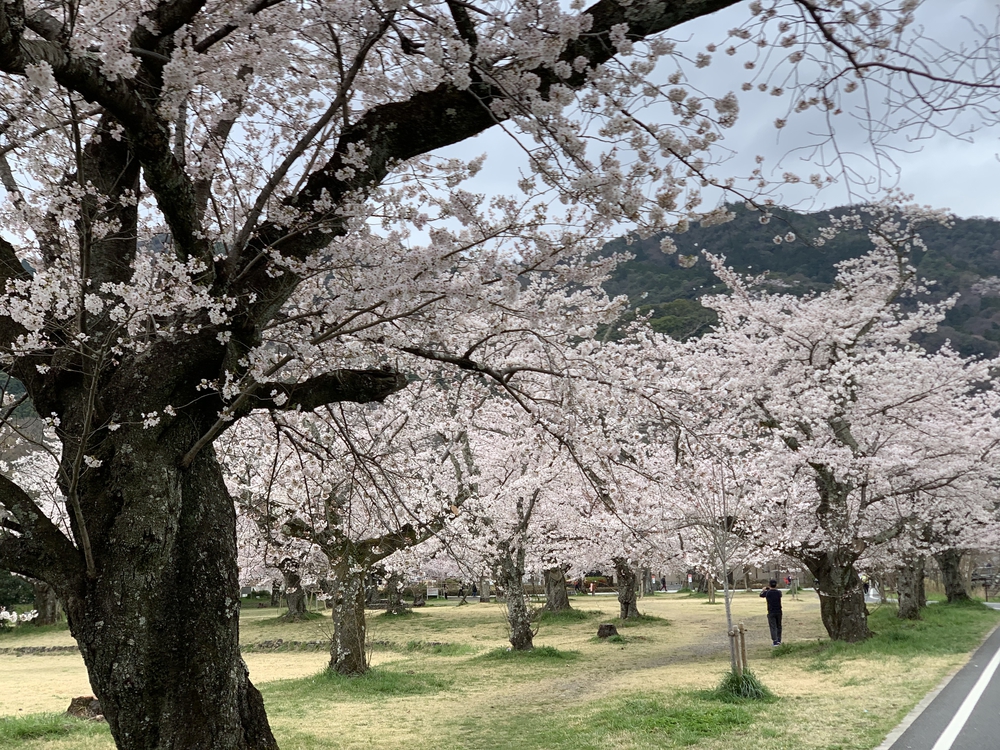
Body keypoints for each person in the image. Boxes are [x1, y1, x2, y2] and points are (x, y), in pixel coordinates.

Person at [760, 579, 783, 646]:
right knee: (779, 626)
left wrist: (764, 590)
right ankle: (779, 640)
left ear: (769, 585)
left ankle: (775, 641)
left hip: (771, 611)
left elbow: (761, 595)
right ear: (776, 585)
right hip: (779, 611)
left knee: (773, 626)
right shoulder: (779, 592)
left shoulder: (768, 592)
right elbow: (780, 594)